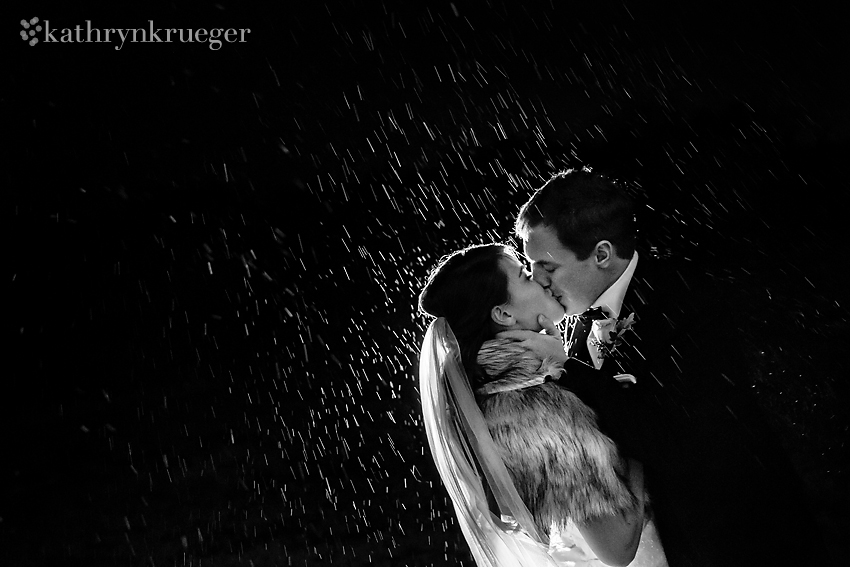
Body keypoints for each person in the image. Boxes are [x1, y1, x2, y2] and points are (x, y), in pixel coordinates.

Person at [507, 168, 823, 566]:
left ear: (602, 254)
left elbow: (676, 439)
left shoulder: (687, 300)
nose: (538, 280)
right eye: (531, 266)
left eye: (548, 267)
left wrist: (565, 368)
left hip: (745, 540)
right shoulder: (578, 321)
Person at [418, 243, 668, 566]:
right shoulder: (531, 411)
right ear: (504, 314)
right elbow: (617, 547)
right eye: (524, 275)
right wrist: (628, 410)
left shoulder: (516, 391)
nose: (540, 278)